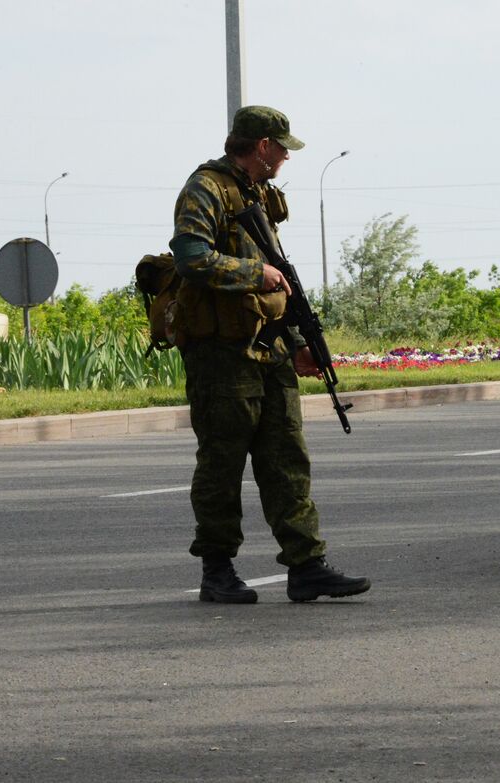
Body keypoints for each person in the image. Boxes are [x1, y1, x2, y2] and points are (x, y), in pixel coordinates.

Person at [169, 105, 370, 604]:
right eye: (282, 148)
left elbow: (277, 281)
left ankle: (307, 566)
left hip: (269, 350)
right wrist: (253, 274)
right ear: (262, 146)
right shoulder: (206, 188)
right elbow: (191, 257)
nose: (286, 157)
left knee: (286, 460)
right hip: (222, 355)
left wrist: (299, 343)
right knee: (222, 464)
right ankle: (217, 570)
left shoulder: (256, 193)